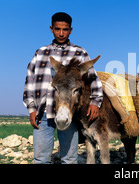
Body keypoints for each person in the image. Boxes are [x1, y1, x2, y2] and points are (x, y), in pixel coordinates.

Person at [23, 12, 103, 164]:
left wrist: (95, 102)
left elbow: (93, 79)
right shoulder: (40, 53)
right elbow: (30, 81)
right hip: (43, 113)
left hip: (68, 112)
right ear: (51, 28)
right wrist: (31, 109)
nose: (61, 33)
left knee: (69, 158)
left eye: (65, 29)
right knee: (40, 158)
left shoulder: (80, 52)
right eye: (57, 29)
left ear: (70, 30)